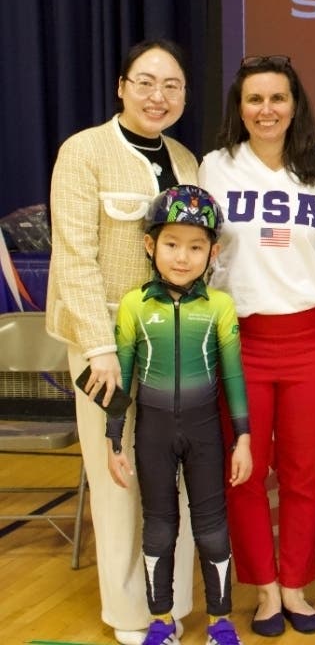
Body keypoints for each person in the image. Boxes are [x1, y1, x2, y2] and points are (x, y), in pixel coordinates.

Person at [46, 38, 199, 645]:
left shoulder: (187, 160)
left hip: (179, 345)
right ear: (121, 86)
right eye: (145, 82)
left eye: (171, 86)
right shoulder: (83, 152)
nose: (157, 96)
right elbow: (75, 257)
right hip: (106, 347)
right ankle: (131, 615)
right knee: (119, 479)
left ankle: (176, 603)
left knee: (179, 474)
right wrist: (101, 347)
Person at [198, 55, 315, 636]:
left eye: (277, 98)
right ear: (240, 108)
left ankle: (295, 586)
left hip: (311, 339)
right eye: (254, 100)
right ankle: (262, 590)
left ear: (295, 105)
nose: (266, 110)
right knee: (245, 472)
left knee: (304, 471)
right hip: (240, 340)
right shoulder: (215, 167)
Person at [105, 185, 251, 645]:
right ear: (150, 246)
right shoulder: (133, 305)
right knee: (160, 528)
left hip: (206, 431)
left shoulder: (219, 307)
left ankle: (220, 623)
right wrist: (113, 442)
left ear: (214, 251)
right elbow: (122, 379)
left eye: (195, 246)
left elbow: (232, 377)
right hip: (152, 434)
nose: (182, 257)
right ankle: (161, 622)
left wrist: (243, 438)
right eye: (171, 244)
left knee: (211, 530)